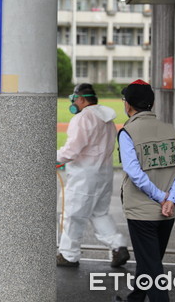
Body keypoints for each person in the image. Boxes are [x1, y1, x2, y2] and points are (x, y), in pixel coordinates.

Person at [114, 79, 175, 302]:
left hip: (141, 213)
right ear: (151, 103)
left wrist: (161, 197)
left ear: (128, 105)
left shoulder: (128, 132)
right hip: (166, 212)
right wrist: (171, 198)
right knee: (150, 261)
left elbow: (134, 172)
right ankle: (135, 299)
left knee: (152, 267)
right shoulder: (170, 130)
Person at [56, 83, 130, 268]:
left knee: (73, 215)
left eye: (74, 99)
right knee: (99, 214)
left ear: (81, 99)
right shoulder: (107, 119)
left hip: (84, 175)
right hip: (104, 174)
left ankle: (68, 255)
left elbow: (72, 150)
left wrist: (51, 158)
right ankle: (119, 246)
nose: (73, 103)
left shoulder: (83, 118)